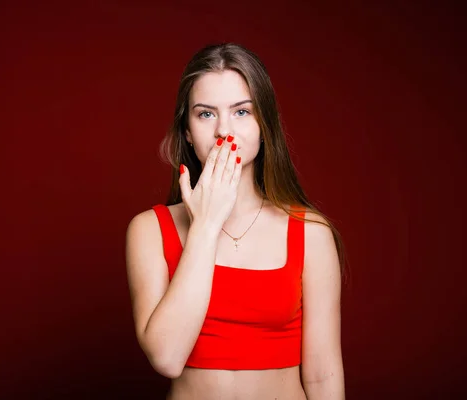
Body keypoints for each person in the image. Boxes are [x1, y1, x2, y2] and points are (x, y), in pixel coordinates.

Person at [125, 43, 346, 400]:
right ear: (186, 130)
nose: (223, 131)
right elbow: (166, 357)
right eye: (206, 114)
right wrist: (206, 226)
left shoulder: (311, 233)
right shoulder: (149, 230)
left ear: (264, 124)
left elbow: (323, 374)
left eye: (242, 112)